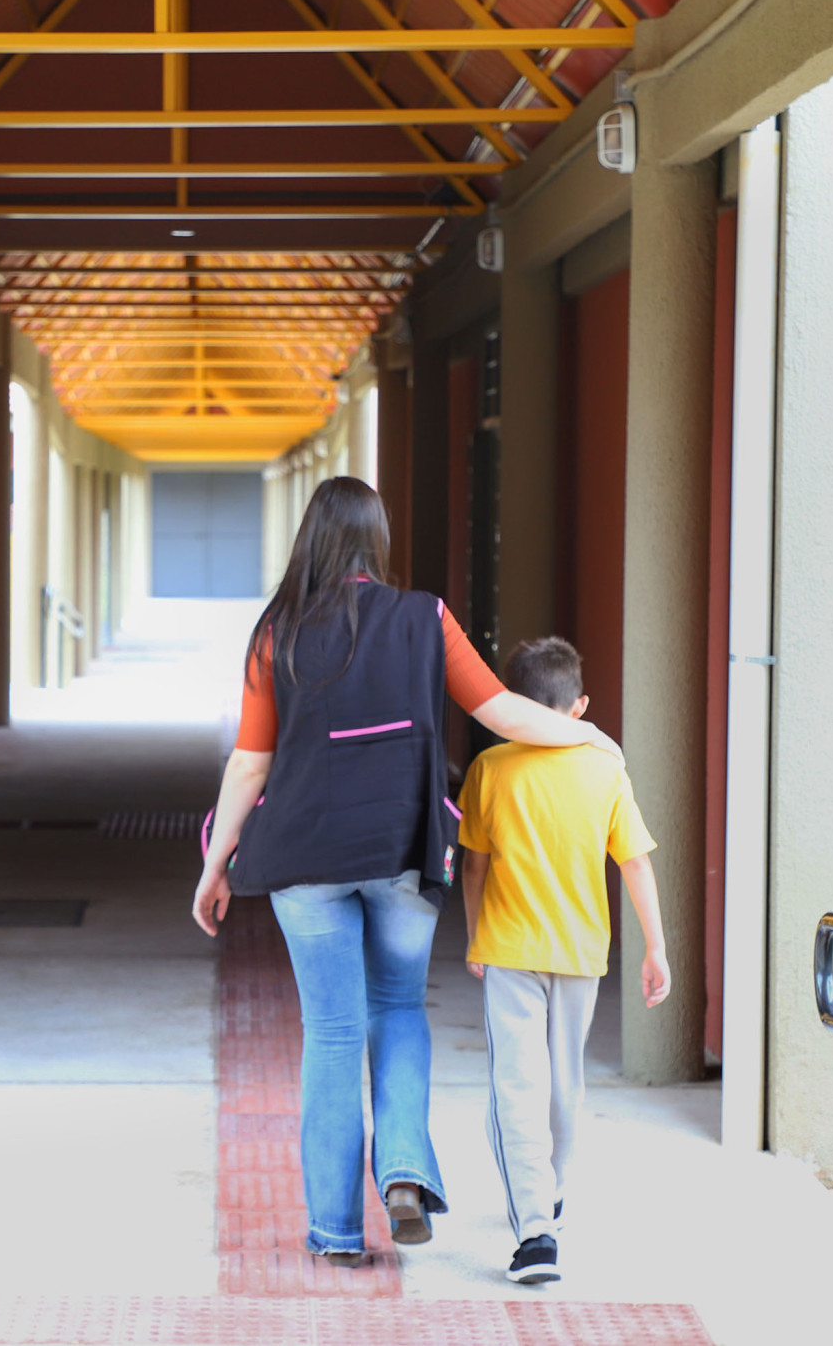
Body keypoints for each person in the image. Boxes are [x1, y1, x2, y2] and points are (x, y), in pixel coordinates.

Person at [189, 478, 623, 1269]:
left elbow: (249, 764)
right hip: (400, 850)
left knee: (329, 1031)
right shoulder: (423, 617)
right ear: (376, 541)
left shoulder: (275, 630)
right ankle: (402, 1172)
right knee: (397, 1008)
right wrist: (591, 738)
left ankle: (334, 1230)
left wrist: (215, 865)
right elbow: (499, 711)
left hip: (303, 857)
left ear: (310, 538)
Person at [455, 635, 671, 1286]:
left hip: (508, 949)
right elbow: (633, 860)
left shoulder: (490, 769)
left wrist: (472, 935)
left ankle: (533, 1231)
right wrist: (655, 945)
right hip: (580, 952)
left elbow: (473, 863)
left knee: (514, 1086)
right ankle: (548, 1194)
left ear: (512, 703)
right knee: (562, 1081)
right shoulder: (604, 770)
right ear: (576, 705)